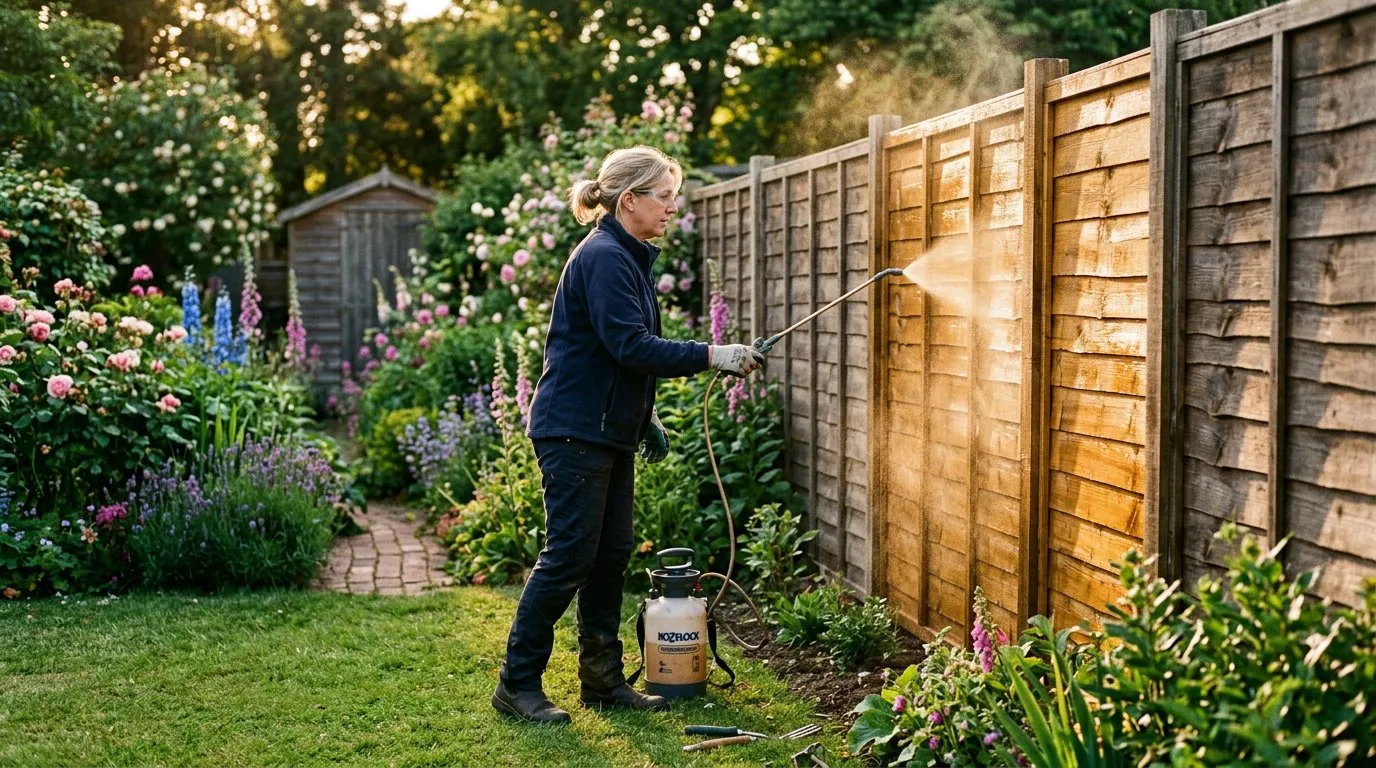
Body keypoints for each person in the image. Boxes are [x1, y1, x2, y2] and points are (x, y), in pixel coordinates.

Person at [491, 146, 766, 724]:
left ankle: (601, 681)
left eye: (673, 197)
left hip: (604, 429)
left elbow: (617, 356)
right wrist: (717, 352)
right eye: (664, 197)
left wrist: (647, 419)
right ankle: (517, 684)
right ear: (629, 200)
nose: (672, 208)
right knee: (568, 556)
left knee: (610, 555)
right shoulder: (605, 257)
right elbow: (631, 347)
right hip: (573, 430)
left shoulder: (628, 255)